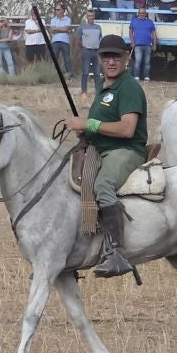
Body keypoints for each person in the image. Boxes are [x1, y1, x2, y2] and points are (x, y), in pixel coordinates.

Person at [63, 34, 145, 278]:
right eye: (106, 56)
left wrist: (89, 124)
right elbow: (100, 124)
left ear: (126, 58)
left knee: (102, 185)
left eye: (116, 57)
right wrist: (85, 130)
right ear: (99, 58)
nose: (111, 61)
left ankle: (117, 253)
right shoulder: (104, 86)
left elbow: (127, 129)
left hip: (126, 150)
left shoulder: (129, 87)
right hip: (100, 149)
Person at [127, 6, 159, 80]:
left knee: (147, 62)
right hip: (137, 45)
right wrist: (132, 42)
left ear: (146, 14)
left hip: (148, 45)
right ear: (138, 14)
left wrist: (154, 44)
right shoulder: (134, 21)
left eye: (143, 13)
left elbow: (154, 33)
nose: (142, 14)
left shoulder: (150, 22)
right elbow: (130, 32)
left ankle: (146, 77)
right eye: (140, 13)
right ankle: (136, 76)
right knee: (138, 61)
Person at [77, 10, 103, 93]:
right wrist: (83, 47)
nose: (91, 17)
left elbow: (99, 38)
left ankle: (98, 91)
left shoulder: (98, 27)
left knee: (97, 73)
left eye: (92, 15)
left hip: (96, 51)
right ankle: (84, 92)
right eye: (89, 16)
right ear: (87, 17)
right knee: (85, 72)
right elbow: (78, 39)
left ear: (94, 16)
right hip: (87, 51)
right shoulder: (82, 27)